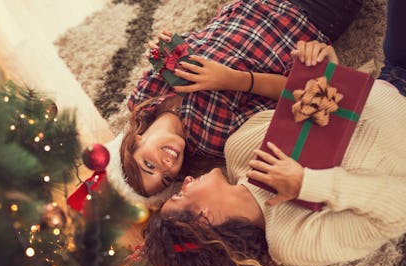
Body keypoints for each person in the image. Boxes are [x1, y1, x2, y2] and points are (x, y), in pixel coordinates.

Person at [141, 7, 406, 266]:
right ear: (204, 219)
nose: (184, 183)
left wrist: (324, 72)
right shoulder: (291, 239)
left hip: (393, 75)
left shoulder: (239, 149)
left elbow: (324, 110)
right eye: (181, 195)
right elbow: (399, 209)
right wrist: (308, 184)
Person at [104, 0, 363, 207]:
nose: (167, 166)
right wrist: (232, 79)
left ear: (134, 141)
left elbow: (205, 38)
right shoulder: (212, 138)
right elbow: (294, 91)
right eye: (167, 178)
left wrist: (171, 44)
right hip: (307, 18)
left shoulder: (143, 96)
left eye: (149, 166)